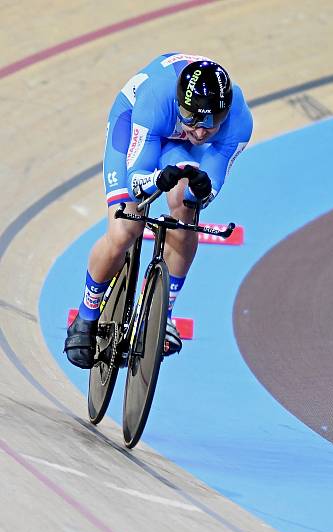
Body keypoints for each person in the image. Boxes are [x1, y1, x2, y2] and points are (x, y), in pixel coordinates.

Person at [64, 53, 253, 368]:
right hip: (136, 124)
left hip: (175, 143)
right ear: (180, 104)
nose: (201, 130)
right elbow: (136, 181)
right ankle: (85, 316)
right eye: (192, 117)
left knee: (185, 214)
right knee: (126, 228)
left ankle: (163, 314)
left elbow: (209, 185)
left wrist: (198, 189)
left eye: (211, 122)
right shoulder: (157, 100)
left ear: (225, 114)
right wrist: (156, 180)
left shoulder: (238, 122)